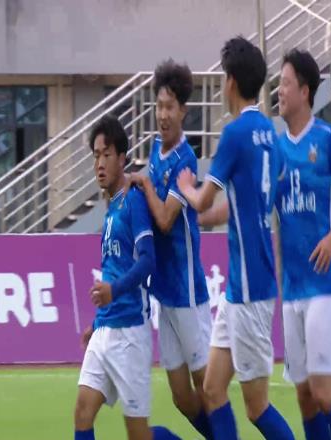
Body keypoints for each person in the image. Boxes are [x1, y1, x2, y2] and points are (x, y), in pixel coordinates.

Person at [177, 36, 294, 440]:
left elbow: (202, 197)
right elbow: (250, 203)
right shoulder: (271, 134)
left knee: (257, 406)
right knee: (212, 391)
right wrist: (207, 217)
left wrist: (186, 187)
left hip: (250, 291)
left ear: (230, 81)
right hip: (241, 289)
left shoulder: (235, 133)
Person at [74, 115, 180, 440]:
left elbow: (147, 261)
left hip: (130, 334)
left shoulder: (134, 202)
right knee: (82, 414)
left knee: (139, 435)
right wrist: (96, 321)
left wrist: (114, 291)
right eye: (96, 156)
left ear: (122, 159)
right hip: (106, 329)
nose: (99, 163)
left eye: (106, 154)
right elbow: (113, 270)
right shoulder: (110, 211)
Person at [275, 48, 331, 440]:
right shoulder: (276, 149)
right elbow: (272, 214)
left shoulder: (327, 140)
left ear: (305, 91)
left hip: (324, 286)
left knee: (324, 392)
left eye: (285, 83)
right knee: (305, 396)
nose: (279, 91)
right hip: (291, 288)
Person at [128, 58, 213, 439]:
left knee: (207, 390)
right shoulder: (155, 151)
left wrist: (145, 185)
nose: (162, 114)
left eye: (169, 107)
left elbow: (164, 219)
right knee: (181, 397)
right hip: (164, 292)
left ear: (183, 111)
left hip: (187, 291)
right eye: (158, 106)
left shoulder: (185, 159)